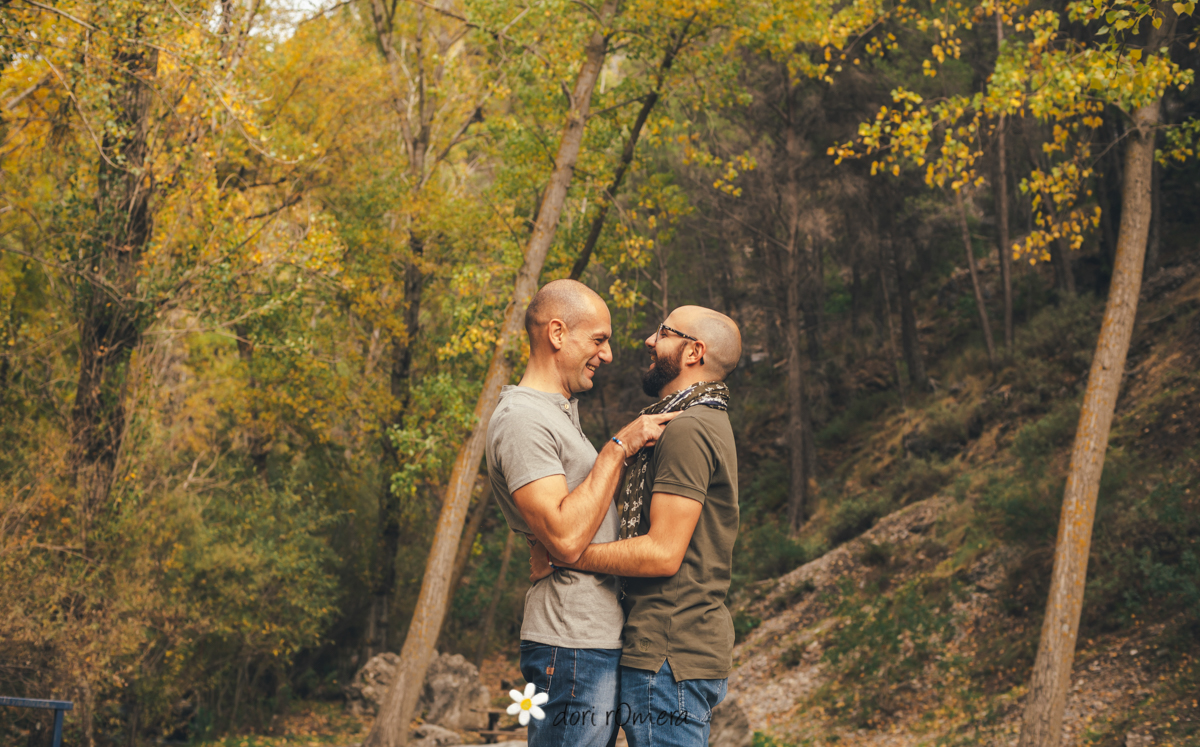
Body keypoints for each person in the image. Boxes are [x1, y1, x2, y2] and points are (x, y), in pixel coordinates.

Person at [533, 305, 743, 747]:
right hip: (674, 650)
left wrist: (568, 553)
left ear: (694, 352)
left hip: (668, 652)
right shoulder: (703, 420)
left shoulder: (688, 429)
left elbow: (662, 552)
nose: (650, 340)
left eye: (663, 333)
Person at [485, 278, 677, 747]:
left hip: (590, 640)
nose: (607, 355)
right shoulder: (523, 419)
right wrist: (619, 447)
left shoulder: (557, 413)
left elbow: (562, 528)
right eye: (598, 340)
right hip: (568, 645)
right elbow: (567, 539)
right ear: (556, 334)